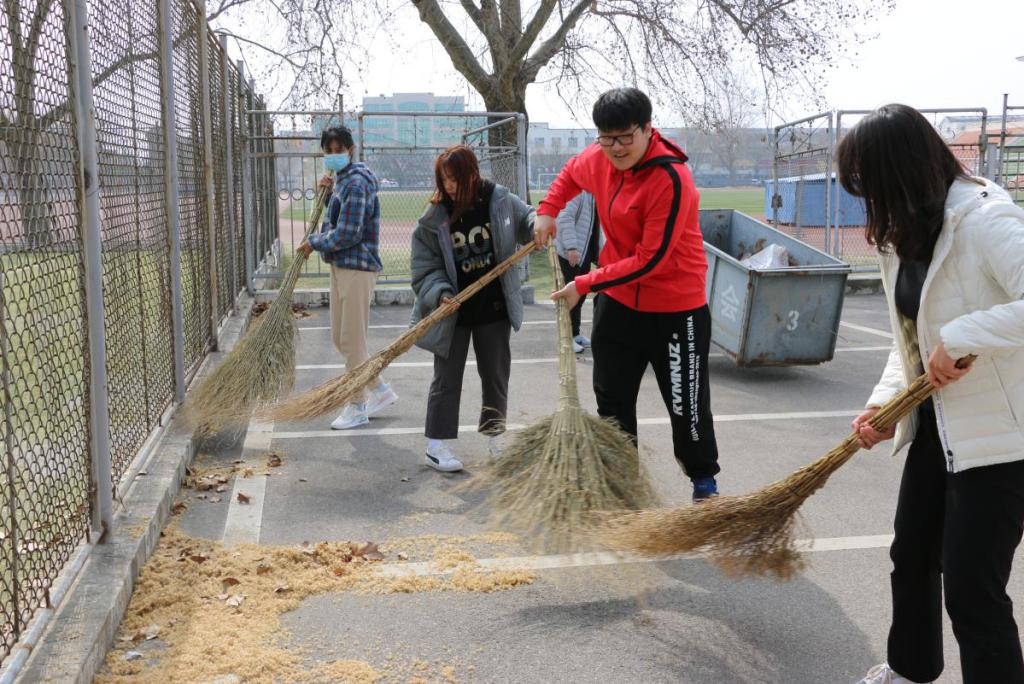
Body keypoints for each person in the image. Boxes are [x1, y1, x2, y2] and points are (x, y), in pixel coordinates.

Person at [839, 105, 1024, 684]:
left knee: (972, 587)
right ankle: (909, 668)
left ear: (903, 170)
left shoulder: (985, 219)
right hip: (936, 430)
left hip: (1000, 441)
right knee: (911, 558)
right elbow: (911, 340)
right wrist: (886, 401)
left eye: (870, 184)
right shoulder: (906, 233)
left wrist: (963, 336)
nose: (868, 201)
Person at [533, 87, 721, 502]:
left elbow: (650, 259)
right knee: (612, 398)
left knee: (686, 405)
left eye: (625, 137)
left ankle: (703, 482)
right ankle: (620, 483)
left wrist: (584, 283)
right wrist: (548, 210)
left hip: (676, 308)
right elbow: (569, 174)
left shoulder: (672, 179)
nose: (615, 148)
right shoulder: (599, 158)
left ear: (647, 129)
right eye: (606, 138)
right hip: (618, 303)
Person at [410, 145, 535, 473]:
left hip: (493, 307)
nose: (449, 186)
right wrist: (440, 293)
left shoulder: (499, 199)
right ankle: (436, 445)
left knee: (495, 374)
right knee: (446, 378)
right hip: (454, 311)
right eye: (444, 179)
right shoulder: (434, 215)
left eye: (454, 179)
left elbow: (528, 219)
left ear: (472, 174)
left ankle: (496, 437)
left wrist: (540, 227)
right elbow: (424, 267)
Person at [298, 125, 397, 430]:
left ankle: (357, 406)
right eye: (328, 150)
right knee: (342, 339)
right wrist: (328, 195)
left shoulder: (356, 182)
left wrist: (313, 242)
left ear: (350, 150)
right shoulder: (343, 181)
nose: (333, 155)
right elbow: (341, 218)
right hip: (342, 265)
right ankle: (379, 389)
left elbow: (349, 233)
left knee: (352, 341)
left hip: (357, 266)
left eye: (338, 150)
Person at [555, 191, 601, 353]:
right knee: (570, 297)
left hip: (584, 253)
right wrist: (571, 247)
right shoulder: (579, 192)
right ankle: (565, 339)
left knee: (580, 296)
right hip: (571, 254)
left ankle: (575, 334)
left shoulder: (592, 192)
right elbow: (565, 217)